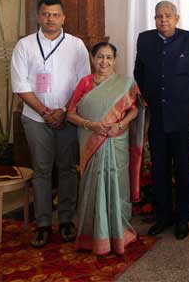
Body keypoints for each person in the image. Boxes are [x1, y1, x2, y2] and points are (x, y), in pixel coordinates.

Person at [11, 0, 91, 247]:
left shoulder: (76, 45)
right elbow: (20, 86)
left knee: (68, 168)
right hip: (35, 118)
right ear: (38, 17)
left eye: (56, 15)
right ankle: (43, 224)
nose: (51, 19)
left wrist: (65, 110)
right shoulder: (24, 46)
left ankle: (66, 220)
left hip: (69, 117)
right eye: (46, 14)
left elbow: (84, 83)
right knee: (42, 170)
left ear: (63, 18)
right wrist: (46, 111)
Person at [134, 0, 189, 240]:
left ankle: (182, 218)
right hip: (156, 117)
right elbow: (139, 72)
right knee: (159, 169)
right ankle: (163, 216)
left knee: (183, 170)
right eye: (158, 16)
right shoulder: (145, 40)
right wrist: (146, 99)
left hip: (183, 117)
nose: (162, 20)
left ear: (177, 18)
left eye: (167, 16)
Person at [66, 42, 146, 255]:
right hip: (92, 140)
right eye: (100, 57)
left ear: (115, 60)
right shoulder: (84, 83)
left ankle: (119, 231)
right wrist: (91, 125)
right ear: (92, 59)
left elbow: (135, 110)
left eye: (109, 57)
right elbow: (71, 113)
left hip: (117, 139)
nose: (104, 62)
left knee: (115, 181)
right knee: (94, 182)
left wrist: (120, 124)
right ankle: (94, 234)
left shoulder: (125, 84)